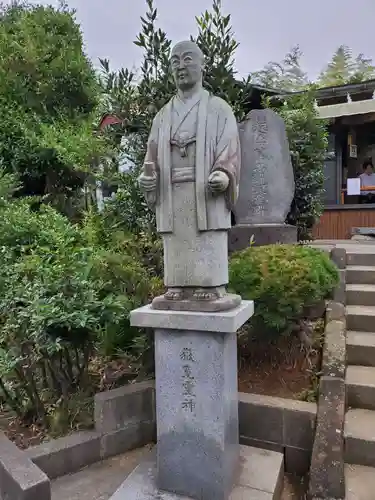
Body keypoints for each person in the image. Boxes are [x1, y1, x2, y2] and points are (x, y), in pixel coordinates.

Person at [138, 40, 240, 307]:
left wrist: (224, 174)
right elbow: (151, 157)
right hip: (173, 193)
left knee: (205, 236)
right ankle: (177, 286)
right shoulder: (161, 117)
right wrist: (149, 179)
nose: (180, 67)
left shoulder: (219, 109)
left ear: (202, 66)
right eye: (175, 61)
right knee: (178, 240)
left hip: (205, 191)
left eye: (187, 59)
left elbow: (229, 148)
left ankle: (211, 286)